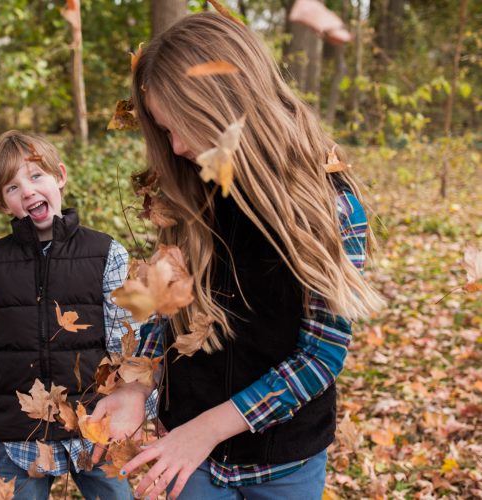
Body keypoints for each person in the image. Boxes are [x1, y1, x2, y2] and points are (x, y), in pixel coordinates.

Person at [89, 12, 384, 500]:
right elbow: (167, 313)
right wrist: (136, 386)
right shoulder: (189, 193)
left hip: (284, 460)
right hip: (188, 457)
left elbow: (321, 355)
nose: (177, 147)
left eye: (181, 127)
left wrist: (204, 431)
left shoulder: (328, 207)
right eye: (164, 132)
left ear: (226, 107)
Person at [0, 130, 134, 500]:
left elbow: (128, 341)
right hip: (23, 432)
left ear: (59, 176)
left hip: (94, 423)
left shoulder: (107, 253)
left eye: (35, 176)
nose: (28, 191)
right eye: (12, 188)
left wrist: (138, 410)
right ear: (4, 204)